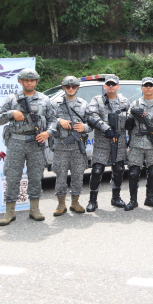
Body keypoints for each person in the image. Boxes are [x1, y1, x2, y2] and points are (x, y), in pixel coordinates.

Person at [0, 68, 56, 226]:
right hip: (16, 142)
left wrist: (48, 133)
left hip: (36, 143)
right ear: (20, 81)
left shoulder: (44, 99)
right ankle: (10, 212)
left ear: (36, 81)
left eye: (32, 80)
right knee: (12, 176)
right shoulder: (12, 99)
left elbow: (53, 120)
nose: (29, 83)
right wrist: (11, 113)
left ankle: (34, 209)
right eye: (26, 80)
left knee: (36, 176)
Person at [85, 75, 131, 212]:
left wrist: (129, 121)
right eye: (108, 84)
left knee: (119, 170)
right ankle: (92, 201)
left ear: (118, 86)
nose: (111, 86)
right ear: (104, 86)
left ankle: (116, 197)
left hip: (119, 140)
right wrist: (106, 128)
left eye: (113, 84)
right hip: (102, 141)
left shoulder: (124, 101)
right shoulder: (97, 100)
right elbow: (91, 115)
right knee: (97, 170)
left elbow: (129, 118)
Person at [124, 77, 153, 210]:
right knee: (133, 172)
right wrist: (131, 115)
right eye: (146, 85)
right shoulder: (135, 103)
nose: (148, 87)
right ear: (142, 88)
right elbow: (128, 125)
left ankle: (149, 198)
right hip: (137, 143)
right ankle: (133, 201)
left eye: (151, 85)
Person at [51, 76, 90, 216]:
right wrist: (60, 121)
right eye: (68, 87)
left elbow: (91, 123)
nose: (71, 89)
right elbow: (47, 120)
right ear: (63, 88)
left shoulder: (84, 104)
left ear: (77, 88)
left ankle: (75, 202)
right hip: (61, 146)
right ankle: (61, 203)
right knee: (60, 175)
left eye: (74, 86)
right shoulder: (55, 104)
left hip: (77, 147)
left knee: (78, 175)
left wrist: (84, 127)